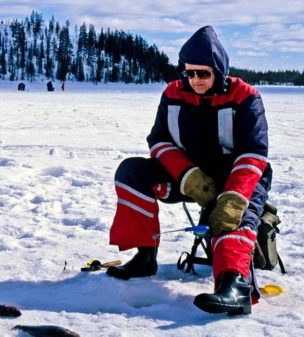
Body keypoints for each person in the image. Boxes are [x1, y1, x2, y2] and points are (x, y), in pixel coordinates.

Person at [105, 26, 271, 316]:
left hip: (235, 177)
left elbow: (253, 153)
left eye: (203, 73)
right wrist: (189, 177)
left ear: (218, 71)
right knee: (131, 172)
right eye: (189, 72)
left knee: (232, 214)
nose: (195, 79)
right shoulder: (172, 93)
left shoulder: (245, 96)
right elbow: (158, 140)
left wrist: (233, 196)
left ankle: (234, 286)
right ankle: (145, 256)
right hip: (186, 177)